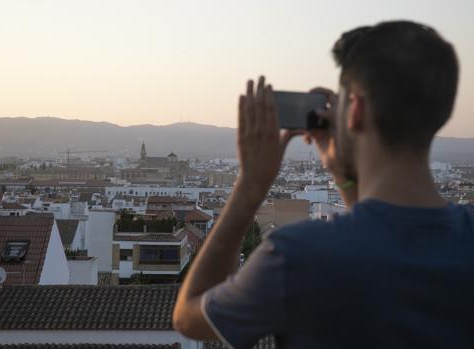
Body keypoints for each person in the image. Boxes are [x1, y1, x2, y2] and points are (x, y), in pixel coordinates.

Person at [173, 20, 474, 348]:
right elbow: (380, 238)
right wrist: (342, 173)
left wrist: (250, 187)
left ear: (355, 111)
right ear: (441, 113)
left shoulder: (297, 257)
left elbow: (189, 317)